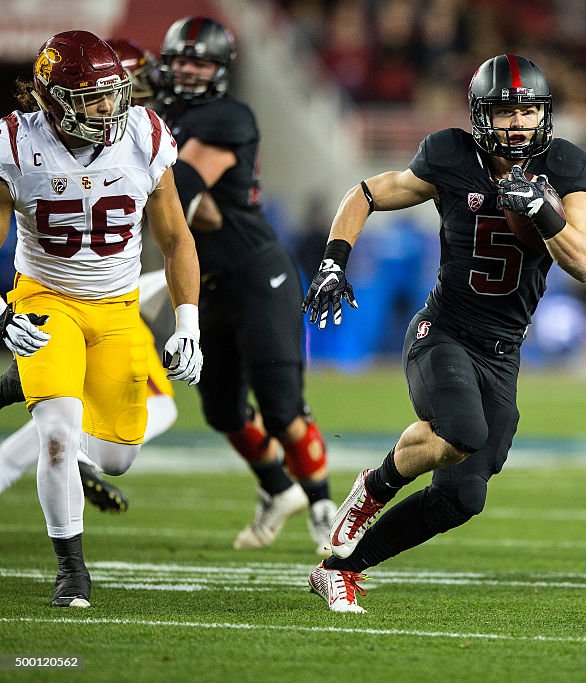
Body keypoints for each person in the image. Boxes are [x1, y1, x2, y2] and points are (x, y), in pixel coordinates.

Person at [302, 53, 586, 613]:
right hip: (443, 332)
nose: (519, 123)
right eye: (506, 112)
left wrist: (545, 212)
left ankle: (338, 569)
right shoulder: (449, 154)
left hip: (503, 351)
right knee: (459, 428)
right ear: (480, 116)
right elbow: (367, 192)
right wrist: (333, 261)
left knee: (463, 497)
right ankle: (368, 492)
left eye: (530, 111)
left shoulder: (565, 166)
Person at [1, 30, 203, 608]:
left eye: (112, 94)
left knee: (116, 455)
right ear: (52, 99)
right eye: (90, 98)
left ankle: (21, 382)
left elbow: (176, 238)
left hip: (117, 311)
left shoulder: (143, 134)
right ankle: (71, 570)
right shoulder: (15, 144)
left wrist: (187, 323)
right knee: (60, 437)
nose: (107, 108)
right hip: (46, 300)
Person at [154, 16, 334, 552]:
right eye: (181, 59)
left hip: (259, 273)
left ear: (221, 70)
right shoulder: (163, 120)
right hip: (205, 280)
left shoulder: (225, 116)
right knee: (223, 411)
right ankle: (278, 489)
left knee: (281, 409)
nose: (187, 69)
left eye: (200, 62)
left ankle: (324, 505)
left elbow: (182, 195)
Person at [0, 271, 178, 511]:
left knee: (59, 416)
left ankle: (73, 456)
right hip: (109, 326)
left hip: (62, 315)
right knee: (161, 406)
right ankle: (82, 458)